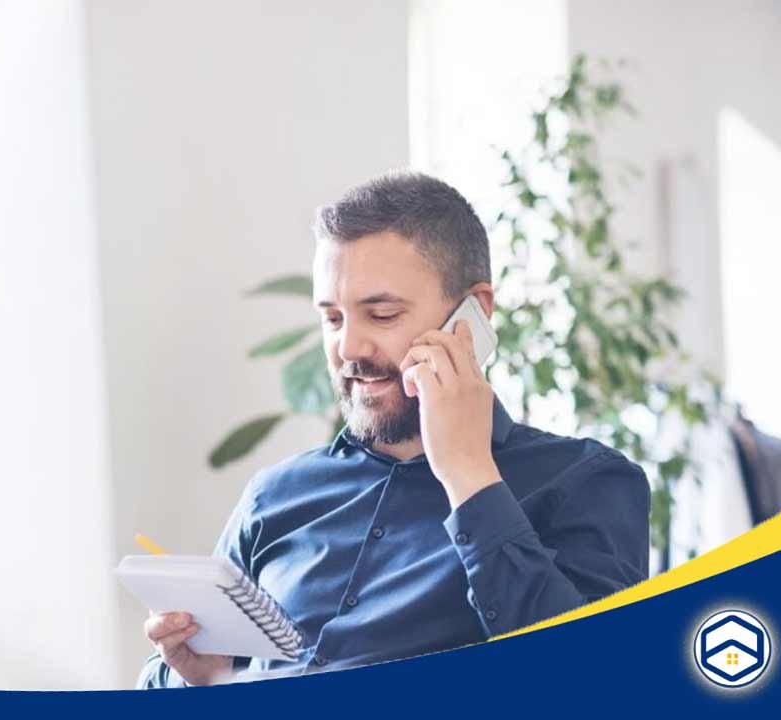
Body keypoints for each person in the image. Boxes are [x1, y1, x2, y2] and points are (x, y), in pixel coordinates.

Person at [138, 172, 650, 688]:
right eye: (333, 319)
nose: (349, 349)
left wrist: (468, 475)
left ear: (474, 314)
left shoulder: (586, 482)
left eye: (381, 315)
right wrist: (205, 681)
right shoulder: (273, 497)